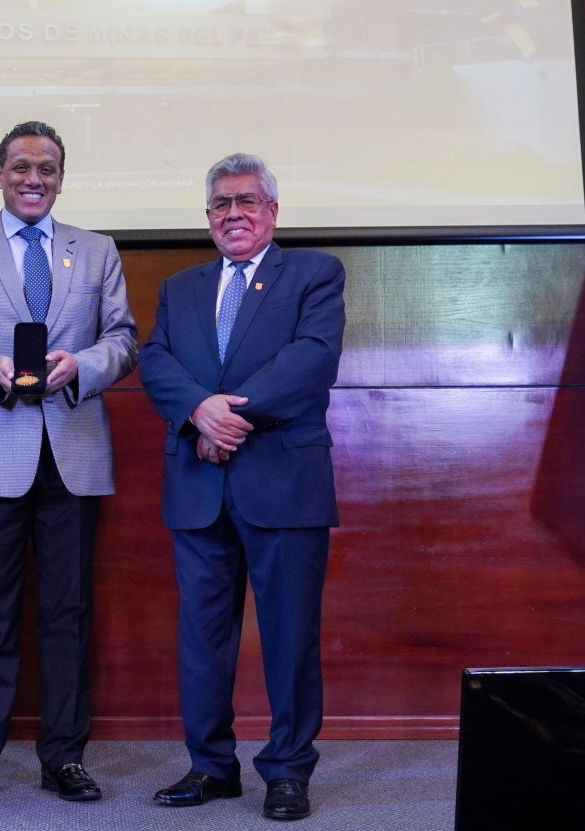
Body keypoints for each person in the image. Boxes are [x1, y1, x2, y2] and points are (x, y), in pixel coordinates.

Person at [0, 121, 137, 803]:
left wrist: (84, 365)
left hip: (75, 448)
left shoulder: (97, 250)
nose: (33, 178)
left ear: (62, 178)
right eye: (21, 166)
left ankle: (65, 758)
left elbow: (123, 339)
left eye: (47, 167)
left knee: (68, 610)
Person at [138, 153, 345, 821]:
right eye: (221, 204)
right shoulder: (181, 287)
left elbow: (312, 358)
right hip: (197, 484)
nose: (234, 213)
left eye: (247, 201)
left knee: (289, 635)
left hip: (284, 482)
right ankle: (210, 766)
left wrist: (226, 417)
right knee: (203, 637)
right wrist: (197, 410)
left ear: (272, 211)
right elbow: (155, 360)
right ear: (208, 217)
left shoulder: (314, 273)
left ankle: (287, 770)